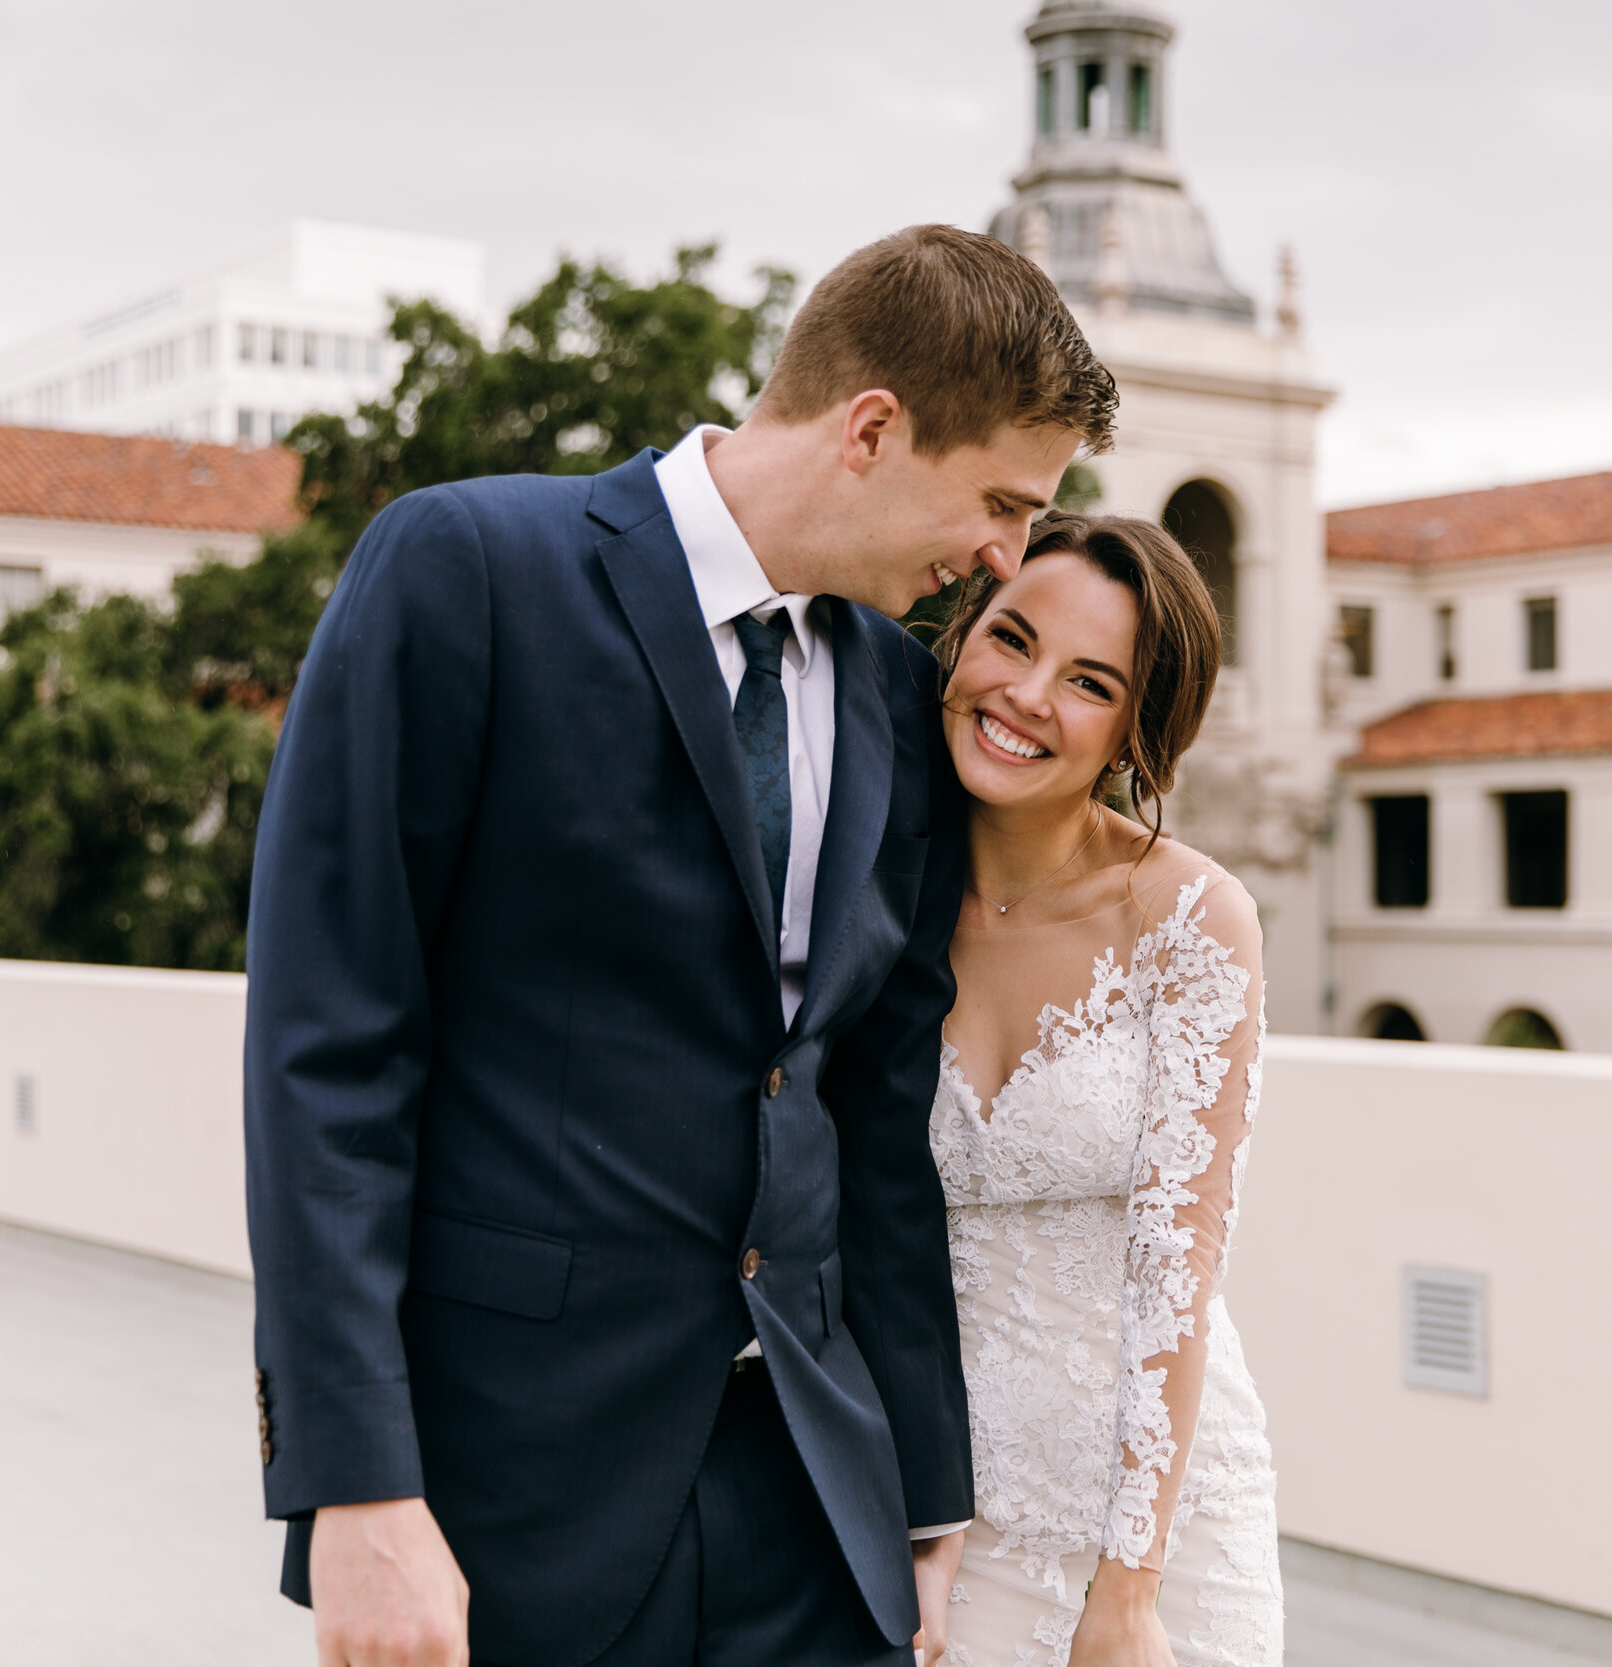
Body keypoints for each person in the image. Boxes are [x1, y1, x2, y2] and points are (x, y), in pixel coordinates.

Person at [242, 224, 1117, 1667]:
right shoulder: (467, 568)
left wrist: (926, 1484)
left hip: (816, 1498)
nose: (1005, 558)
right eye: (1003, 502)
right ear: (873, 428)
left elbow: (872, 1113)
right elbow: (326, 1051)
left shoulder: (906, 694)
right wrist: (353, 1478)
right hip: (511, 1490)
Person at [924, 515, 1282, 1666]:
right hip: (940, 1516)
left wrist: (1129, 1586)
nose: (1025, 694)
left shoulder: (1191, 916)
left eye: (1087, 680)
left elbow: (1179, 1264)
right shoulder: (869, 898)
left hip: (1154, 1526)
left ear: (1136, 726)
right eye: (1009, 638)